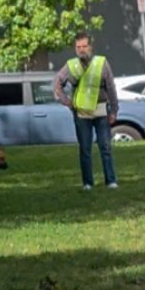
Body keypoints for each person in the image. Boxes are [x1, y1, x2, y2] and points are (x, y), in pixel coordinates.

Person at [54, 32, 119, 190]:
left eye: (84, 46)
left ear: (90, 46)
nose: (81, 50)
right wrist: (67, 102)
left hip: (101, 110)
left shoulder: (102, 63)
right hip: (81, 113)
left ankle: (110, 180)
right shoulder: (70, 65)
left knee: (105, 147)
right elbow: (57, 85)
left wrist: (114, 111)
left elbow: (111, 87)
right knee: (85, 149)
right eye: (78, 47)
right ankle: (87, 183)